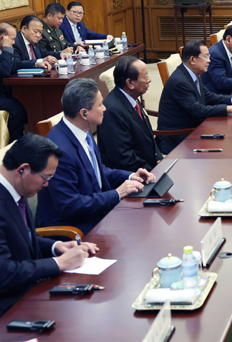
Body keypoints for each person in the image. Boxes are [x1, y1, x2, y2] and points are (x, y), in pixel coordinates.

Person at [35, 79, 156, 235]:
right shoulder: (59, 151)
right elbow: (69, 205)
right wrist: (117, 193)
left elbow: (96, 171)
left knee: (145, 219)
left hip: (93, 213)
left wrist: (131, 176)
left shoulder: (83, 132)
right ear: (84, 113)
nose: (105, 108)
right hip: (71, 228)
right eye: (100, 105)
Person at [0, 134, 99, 316]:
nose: (46, 184)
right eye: (46, 177)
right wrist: (59, 263)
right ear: (23, 169)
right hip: (9, 307)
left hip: (30, 290)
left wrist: (56, 246)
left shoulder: (16, 189)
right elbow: (3, 273)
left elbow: (23, 236)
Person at [157, 40, 232, 154]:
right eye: (205, 57)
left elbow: (208, 96)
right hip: (179, 137)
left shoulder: (192, 73)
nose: (209, 60)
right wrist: (231, 108)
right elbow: (198, 110)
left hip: (194, 127)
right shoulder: (180, 82)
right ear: (192, 60)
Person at [97, 57, 163, 172]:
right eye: (145, 77)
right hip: (131, 176)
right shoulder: (112, 111)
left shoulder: (132, 97)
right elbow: (123, 157)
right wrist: (153, 171)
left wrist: (158, 158)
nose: (149, 80)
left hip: (148, 167)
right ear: (130, 83)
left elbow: (148, 136)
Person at [0, 24, 28, 140]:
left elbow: (14, 65)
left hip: (4, 91)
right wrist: (6, 48)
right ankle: (13, 143)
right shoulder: (5, 50)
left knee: (26, 100)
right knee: (17, 109)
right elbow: (5, 71)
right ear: (2, 38)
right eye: (12, 39)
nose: (13, 43)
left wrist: (36, 63)